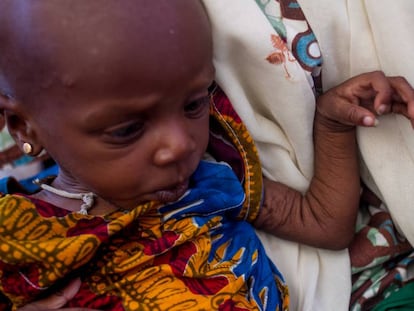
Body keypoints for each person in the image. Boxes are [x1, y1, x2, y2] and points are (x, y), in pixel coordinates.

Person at [0, 1, 413, 310]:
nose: (181, 144)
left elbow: (324, 223)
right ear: (23, 128)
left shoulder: (211, 182)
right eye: (127, 129)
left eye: (195, 105)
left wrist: (332, 122)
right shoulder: (14, 232)